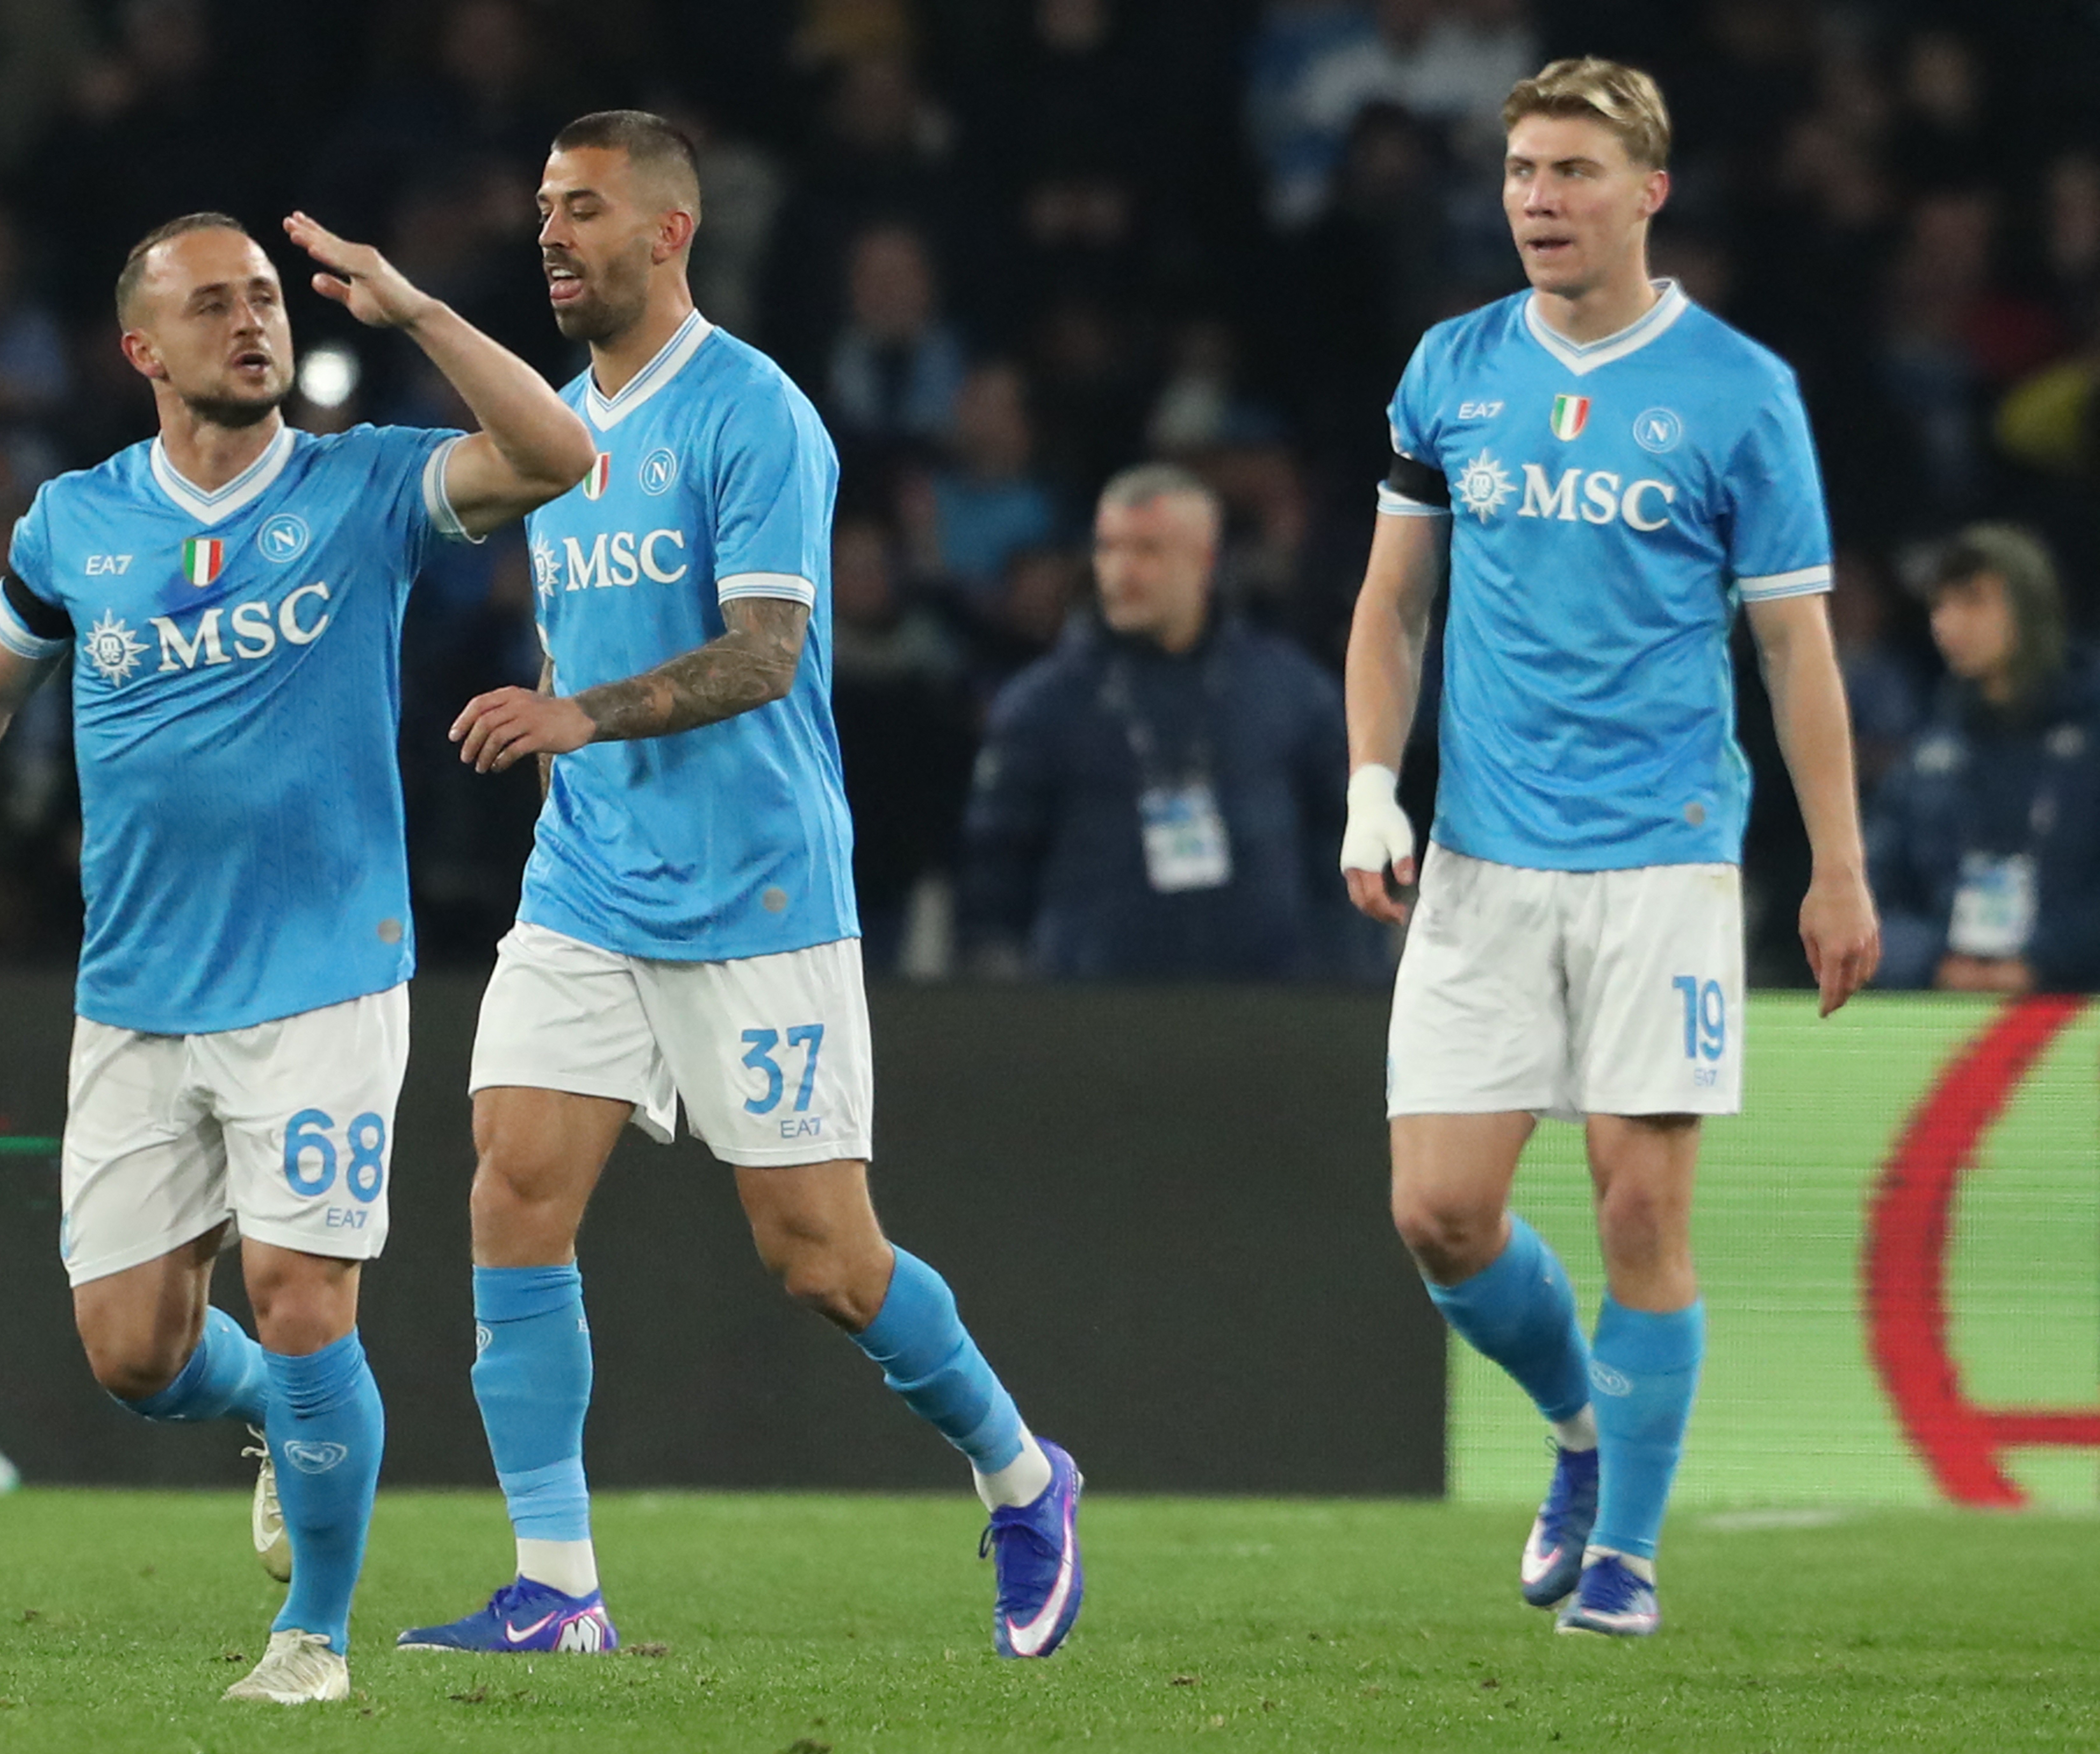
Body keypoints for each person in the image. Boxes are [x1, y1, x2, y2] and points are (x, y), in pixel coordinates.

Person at [0, 212, 593, 1703]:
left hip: (326, 972)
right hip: (139, 990)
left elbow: (552, 456)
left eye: (267, 298)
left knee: (297, 1292)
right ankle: (283, 1421)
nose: (252, 323)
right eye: (213, 305)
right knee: (134, 1352)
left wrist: (410, 311)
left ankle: (312, 1640)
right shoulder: (73, 524)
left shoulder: (366, 489)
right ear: (143, 349)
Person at [399, 111, 1084, 1662]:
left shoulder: (753, 416)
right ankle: (558, 1586)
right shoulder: (552, 432)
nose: (551, 236)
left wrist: (578, 713)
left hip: (758, 897)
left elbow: (768, 651)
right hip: (586, 881)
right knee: (510, 1184)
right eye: (540, 211)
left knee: (821, 1262)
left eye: (581, 209)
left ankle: (1024, 1474)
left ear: (668, 232)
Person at [1339, 59, 1880, 1638]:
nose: (1535, 200)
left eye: (1569, 172)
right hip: (1484, 860)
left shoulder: (1735, 392)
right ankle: (1580, 1430)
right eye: (1518, 171)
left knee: (1638, 1206)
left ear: (1646, 191)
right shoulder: (1449, 369)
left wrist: (1835, 868)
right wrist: (1373, 784)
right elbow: (1391, 604)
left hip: (1660, 853)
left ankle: (1625, 1559)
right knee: (1435, 1211)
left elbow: (1794, 652)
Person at [960, 464, 1360, 982]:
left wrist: (1339, 969)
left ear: (1205, 561)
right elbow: (993, 877)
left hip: (1267, 1013)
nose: (1121, 572)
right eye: (1108, 548)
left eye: (1147, 551)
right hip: (1091, 1018)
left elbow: (1342, 846)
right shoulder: (1042, 704)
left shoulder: (1289, 690)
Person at [1868, 525, 2100, 993]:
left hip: (2079, 1010)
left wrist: (2045, 959)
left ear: (2032, 609)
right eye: (1940, 605)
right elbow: (1869, 897)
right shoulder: (1930, 750)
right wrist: (1935, 962)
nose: (1948, 623)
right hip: (1947, 1012)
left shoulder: (2090, 740)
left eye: (1973, 600)